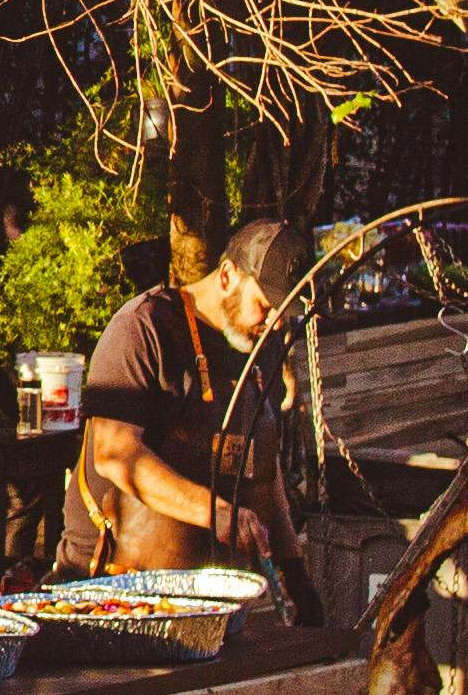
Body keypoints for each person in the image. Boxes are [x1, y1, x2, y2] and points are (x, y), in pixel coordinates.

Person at [60, 217, 308, 577]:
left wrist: (293, 566)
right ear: (227, 276)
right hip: (112, 576)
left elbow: (265, 472)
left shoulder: (261, 346)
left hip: (209, 582)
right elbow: (115, 453)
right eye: (266, 305)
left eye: (283, 313)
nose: (275, 323)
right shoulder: (143, 328)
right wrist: (215, 510)